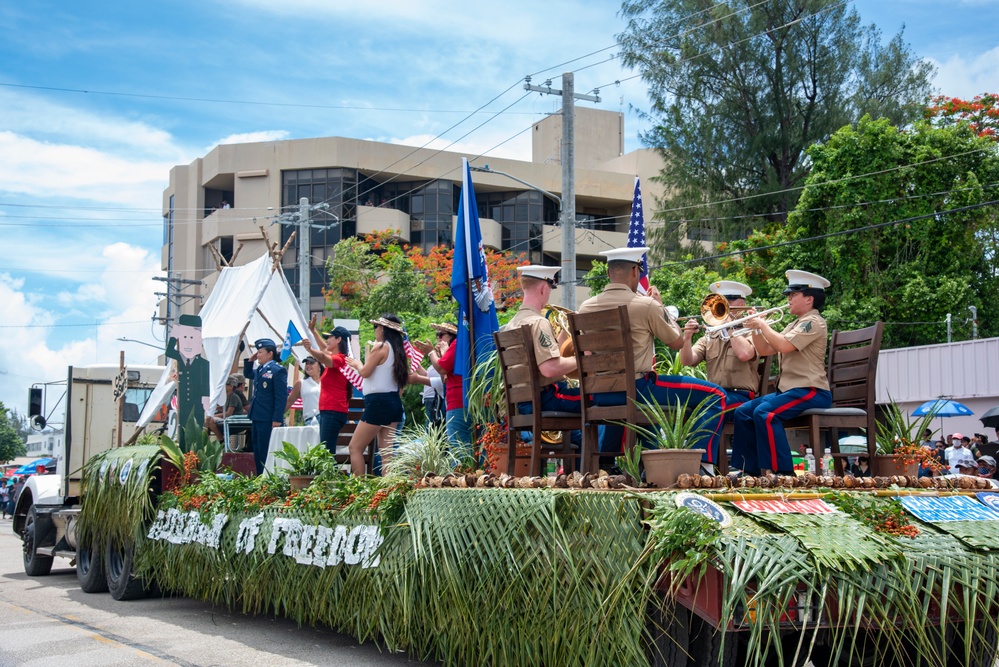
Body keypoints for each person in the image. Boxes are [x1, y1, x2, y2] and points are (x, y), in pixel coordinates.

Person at [576, 247, 726, 470]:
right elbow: (676, 343)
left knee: (646, 402)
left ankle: (607, 465)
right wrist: (660, 305)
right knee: (716, 395)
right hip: (637, 390)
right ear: (636, 271)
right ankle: (703, 464)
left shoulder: (584, 307)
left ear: (608, 273)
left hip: (601, 394)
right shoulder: (646, 305)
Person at [731, 270, 833, 476]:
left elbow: (784, 345)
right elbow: (767, 349)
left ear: (809, 299)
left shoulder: (813, 322)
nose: (788, 298)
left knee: (765, 413)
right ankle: (750, 471)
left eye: (793, 294)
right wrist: (755, 328)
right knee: (742, 412)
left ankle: (783, 472)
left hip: (811, 390)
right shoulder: (793, 324)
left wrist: (762, 324)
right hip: (790, 390)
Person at [502, 265, 580, 413]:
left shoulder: (512, 324)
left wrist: (566, 330)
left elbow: (545, 354)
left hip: (523, 401)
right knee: (598, 399)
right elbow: (550, 368)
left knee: (576, 434)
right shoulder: (538, 322)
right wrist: (581, 359)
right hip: (545, 397)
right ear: (544, 288)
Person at [679, 280, 760, 412]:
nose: (720, 307)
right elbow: (687, 360)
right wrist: (687, 338)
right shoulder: (711, 335)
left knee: (710, 407)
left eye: (726, 300)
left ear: (742, 304)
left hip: (741, 397)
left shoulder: (753, 331)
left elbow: (744, 354)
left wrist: (729, 325)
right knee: (685, 404)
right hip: (715, 395)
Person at [344, 314, 409, 475]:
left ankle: (361, 489)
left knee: (355, 447)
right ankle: (389, 490)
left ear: (384, 329)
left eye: (376, 327)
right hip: (394, 402)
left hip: (378, 402)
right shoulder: (398, 350)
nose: (375, 330)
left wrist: (357, 364)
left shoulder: (380, 347)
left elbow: (365, 372)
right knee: (386, 453)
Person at [422, 322, 474, 461]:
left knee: (458, 450)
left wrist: (431, 352)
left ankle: (461, 480)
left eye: (441, 334)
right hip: (467, 401)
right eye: (437, 335)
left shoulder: (457, 344)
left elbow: (441, 368)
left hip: (459, 401)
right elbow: (444, 378)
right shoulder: (464, 345)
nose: (438, 338)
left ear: (452, 336)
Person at [302, 323, 353, 455]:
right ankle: (330, 475)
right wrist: (313, 330)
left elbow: (323, 357)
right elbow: (324, 350)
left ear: (338, 340)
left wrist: (310, 350)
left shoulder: (341, 359)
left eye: (330, 337)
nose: (327, 340)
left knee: (327, 452)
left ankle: (331, 476)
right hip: (330, 411)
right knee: (326, 450)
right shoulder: (338, 358)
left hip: (333, 410)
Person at [243, 338, 288, 475]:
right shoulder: (261, 369)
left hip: (268, 418)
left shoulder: (277, 370)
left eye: (260, 352)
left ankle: (267, 478)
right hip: (257, 416)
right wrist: (250, 361)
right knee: (257, 449)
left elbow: (281, 398)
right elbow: (247, 373)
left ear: (270, 354)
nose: (258, 355)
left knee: (266, 450)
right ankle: (260, 476)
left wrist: (277, 419)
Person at [204, 375, 245, 441]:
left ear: (231, 386)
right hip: (229, 420)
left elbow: (229, 413)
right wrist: (217, 408)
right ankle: (206, 442)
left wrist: (213, 415)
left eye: (224, 384)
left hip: (234, 421)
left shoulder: (233, 397)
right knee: (207, 420)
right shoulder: (227, 397)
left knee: (210, 420)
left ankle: (221, 440)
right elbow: (225, 408)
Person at [286, 356, 323, 426]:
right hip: (311, 420)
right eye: (307, 364)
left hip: (326, 418)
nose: (308, 366)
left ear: (319, 366)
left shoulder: (326, 381)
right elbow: (289, 401)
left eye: (311, 363)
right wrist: (276, 417)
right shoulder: (301, 383)